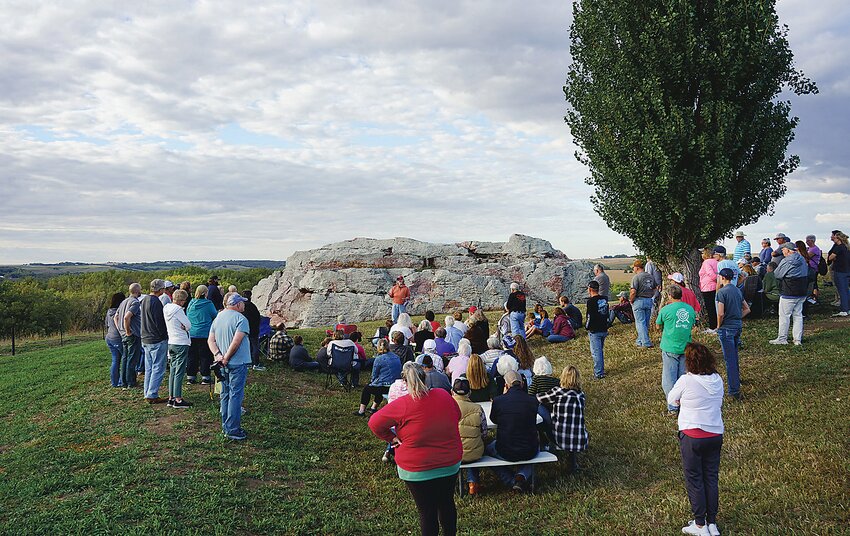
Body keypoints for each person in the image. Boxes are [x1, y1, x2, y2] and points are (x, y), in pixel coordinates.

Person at [368, 362, 462, 536]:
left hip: (416, 468)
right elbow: (458, 415)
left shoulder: (402, 404)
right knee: (446, 503)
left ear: (404, 381)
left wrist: (392, 438)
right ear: (425, 377)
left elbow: (374, 422)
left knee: (427, 511)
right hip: (449, 463)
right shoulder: (443, 395)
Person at [667, 343, 725, 536]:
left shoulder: (686, 381)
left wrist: (681, 402)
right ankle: (712, 523)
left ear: (689, 362)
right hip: (715, 434)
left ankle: (699, 524)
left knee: (695, 479)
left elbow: (671, 398)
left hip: (692, 436)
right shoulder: (717, 379)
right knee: (711, 477)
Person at [208, 293, 253, 440]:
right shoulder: (241, 319)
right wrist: (226, 357)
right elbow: (236, 342)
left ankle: (225, 426)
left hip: (221, 363)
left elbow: (211, 340)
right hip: (237, 363)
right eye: (243, 303)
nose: (244, 305)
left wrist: (218, 355)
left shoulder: (218, 318)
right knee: (235, 395)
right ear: (238, 304)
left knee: (225, 394)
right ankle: (233, 430)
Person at [488, 370, 539, 492]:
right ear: (522, 384)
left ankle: (511, 480)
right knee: (537, 449)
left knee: (485, 451)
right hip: (529, 449)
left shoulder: (499, 401)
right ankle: (521, 476)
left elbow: (493, 419)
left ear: (506, 385)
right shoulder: (532, 400)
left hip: (505, 450)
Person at [536, 365, 587, 472]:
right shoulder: (581, 395)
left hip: (559, 437)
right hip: (580, 438)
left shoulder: (557, 391)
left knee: (539, 406)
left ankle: (544, 442)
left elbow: (538, 398)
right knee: (571, 423)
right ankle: (572, 462)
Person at [656, 284, 696, 413]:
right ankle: (683, 403)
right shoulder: (690, 309)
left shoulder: (666, 310)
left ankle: (673, 406)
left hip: (669, 346)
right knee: (682, 377)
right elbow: (693, 324)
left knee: (668, 379)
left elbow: (658, 326)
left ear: (670, 295)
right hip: (686, 346)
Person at [715, 268, 750, 400]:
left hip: (726, 328)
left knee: (729, 359)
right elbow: (747, 309)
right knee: (734, 356)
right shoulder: (737, 290)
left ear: (722, 278)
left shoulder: (721, 293)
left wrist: (719, 325)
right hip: (737, 326)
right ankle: (736, 380)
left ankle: (734, 390)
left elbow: (721, 313)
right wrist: (737, 317)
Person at [451, 378, 487, 496]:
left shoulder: (445, 407)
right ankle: (473, 483)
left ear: (452, 391)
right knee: (472, 446)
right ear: (469, 392)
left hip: (451, 453)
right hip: (474, 453)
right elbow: (484, 433)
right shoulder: (478, 408)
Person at [770, 242, 809, 345]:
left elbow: (777, 274)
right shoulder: (802, 259)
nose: (782, 251)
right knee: (798, 315)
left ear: (787, 250)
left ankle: (782, 338)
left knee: (784, 316)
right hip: (802, 291)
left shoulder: (786, 261)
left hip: (789, 291)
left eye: (783, 250)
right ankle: (797, 339)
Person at [354, 338, 402, 416]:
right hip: (395, 384)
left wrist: (372, 381)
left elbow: (374, 374)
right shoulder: (396, 357)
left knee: (368, 388)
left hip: (386, 385)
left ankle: (361, 411)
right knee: (377, 385)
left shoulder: (379, 359)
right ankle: (373, 408)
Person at [141, 279, 169, 404]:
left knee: (149, 368)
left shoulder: (144, 299)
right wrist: (165, 336)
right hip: (156, 339)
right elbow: (159, 322)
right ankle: (152, 394)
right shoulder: (156, 302)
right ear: (161, 289)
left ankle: (147, 392)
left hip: (145, 337)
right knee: (158, 367)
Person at [163, 289, 193, 408]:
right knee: (179, 372)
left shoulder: (166, 309)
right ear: (181, 301)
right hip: (181, 342)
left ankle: (171, 397)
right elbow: (188, 325)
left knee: (173, 370)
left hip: (171, 341)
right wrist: (185, 328)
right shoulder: (178, 310)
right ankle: (178, 399)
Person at [186, 285, 218, 385]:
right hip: (204, 333)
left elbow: (187, 314)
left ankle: (191, 376)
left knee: (192, 356)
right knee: (205, 356)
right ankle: (205, 377)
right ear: (205, 293)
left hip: (192, 333)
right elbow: (215, 315)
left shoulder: (191, 303)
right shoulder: (208, 304)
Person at [116, 283, 143, 388]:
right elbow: (127, 317)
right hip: (132, 334)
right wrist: (128, 331)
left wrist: (120, 329)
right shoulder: (135, 302)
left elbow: (116, 316)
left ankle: (124, 382)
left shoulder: (124, 302)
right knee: (132, 359)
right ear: (137, 291)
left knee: (125, 358)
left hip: (123, 334)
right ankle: (131, 382)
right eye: (140, 289)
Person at [630, 260, 657, 348]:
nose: (633, 269)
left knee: (640, 322)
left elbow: (633, 291)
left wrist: (631, 300)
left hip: (639, 300)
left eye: (633, 267)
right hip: (648, 300)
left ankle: (645, 342)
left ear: (637, 267)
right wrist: (651, 295)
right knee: (645, 322)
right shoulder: (650, 276)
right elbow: (655, 288)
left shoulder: (636, 277)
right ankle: (639, 340)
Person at [586, 281, 610, 379]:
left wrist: (587, 327)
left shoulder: (591, 302)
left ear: (590, 289)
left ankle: (599, 373)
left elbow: (589, 316)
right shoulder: (604, 299)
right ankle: (600, 369)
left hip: (595, 330)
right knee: (599, 350)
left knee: (596, 352)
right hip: (604, 327)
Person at [240, 289, 265, 372]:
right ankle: (256, 363)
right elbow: (258, 317)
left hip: (244, 330)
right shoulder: (252, 306)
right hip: (253, 329)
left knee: (247, 346)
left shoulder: (241, 307)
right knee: (255, 346)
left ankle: (248, 363)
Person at [105, 292, 126, 388]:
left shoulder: (109, 311)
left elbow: (107, 324)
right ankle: (123, 381)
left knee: (115, 360)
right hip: (118, 338)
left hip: (109, 337)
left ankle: (114, 382)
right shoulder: (120, 311)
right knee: (125, 358)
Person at [827, 231, 850, 317]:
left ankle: (844, 309)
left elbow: (830, 257)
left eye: (834, 237)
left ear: (838, 238)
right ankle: (847, 308)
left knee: (842, 290)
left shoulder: (838, 247)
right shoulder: (846, 247)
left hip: (840, 271)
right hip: (847, 270)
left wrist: (834, 258)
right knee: (846, 290)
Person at [699, 248, 720, 332]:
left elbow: (711, 274)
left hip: (708, 287)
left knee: (710, 308)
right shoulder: (717, 262)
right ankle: (717, 324)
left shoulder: (706, 262)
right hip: (715, 287)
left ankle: (713, 327)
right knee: (715, 307)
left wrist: (716, 280)